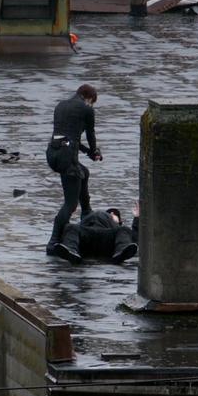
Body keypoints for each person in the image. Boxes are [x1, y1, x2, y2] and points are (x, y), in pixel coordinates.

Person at [45, 84, 101, 254]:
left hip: (53, 153)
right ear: (89, 98)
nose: (91, 106)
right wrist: (94, 151)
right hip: (67, 158)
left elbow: (67, 138)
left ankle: (87, 216)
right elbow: (90, 134)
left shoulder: (61, 105)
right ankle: (53, 242)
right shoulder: (86, 109)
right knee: (70, 203)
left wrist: (87, 153)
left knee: (84, 173)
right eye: (92, 102)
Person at [50, 203, 139, 265]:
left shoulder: (119, 230)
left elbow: (135, 242)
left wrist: (137, 218)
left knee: (125, 230)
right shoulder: (88, 220)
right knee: (71, 227)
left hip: (107, 241)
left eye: (115, 214)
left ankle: (121, 252)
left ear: (120, 222)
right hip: (87, 238)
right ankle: (71, 251)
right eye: (109, 213)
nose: (111, 214)